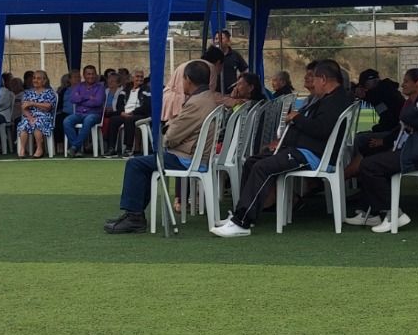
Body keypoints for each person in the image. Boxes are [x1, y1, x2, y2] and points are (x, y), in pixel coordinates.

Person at [211, 59, 352, 237]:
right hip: (303, 150)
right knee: (251, 162)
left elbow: (321, 129)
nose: (313, 83)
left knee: (262, 168)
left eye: (315, 79)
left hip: (313, 156)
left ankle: (242, 223)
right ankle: (242, 213)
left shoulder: (334, 101)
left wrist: (296, 118)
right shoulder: (329, 98)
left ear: (323, 79)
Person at [102, 61, 225, 234]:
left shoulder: (196, 103)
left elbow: (172, 136)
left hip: (186, 158)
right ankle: (134, 213)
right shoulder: (207, 98)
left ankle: (134, 217)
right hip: (193, 155)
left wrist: (166, 137)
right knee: (144, 165)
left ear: (188, 80)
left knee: (134, 164)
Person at [345, 57, 418, 232]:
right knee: (374, 158)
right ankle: (371, 213)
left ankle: (393, 214)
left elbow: (406, 116)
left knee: (370, 165)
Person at [104, 69, 151, 157]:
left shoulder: (146, 90)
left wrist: (133, 112)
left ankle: (129, 149)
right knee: (113, 120)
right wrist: (121, 112)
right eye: (137, 77)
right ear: (132, 78)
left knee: (129, 120)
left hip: (139, 114)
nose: (140, 79)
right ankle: (111, 148)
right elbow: (119, 104)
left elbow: (147, 106)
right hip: (125, 113)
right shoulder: (125, 90)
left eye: (141, 77)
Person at [62, 65, 105, 157]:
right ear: (84, 75)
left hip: (94, 114)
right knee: (67, 121)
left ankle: (74, 147)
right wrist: (88, 97)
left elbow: (97, 102)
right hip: (79, 114)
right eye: (88, 74)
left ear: (96, 75)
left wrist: (81, 100)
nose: (91, 76)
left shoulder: (100, 87)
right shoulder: (79, 86)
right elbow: (72, 99)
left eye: (93, 74)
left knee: (88, 120)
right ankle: (77, 150)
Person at [17, 70, 57, 158]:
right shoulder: (28, 92)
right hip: (29, 116)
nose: (35, 80)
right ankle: (22, 150)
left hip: (44, 116)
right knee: (24, 124)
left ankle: (39, 148)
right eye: (34, 78)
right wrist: (30, 117)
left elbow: (48, 106)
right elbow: (24, 107)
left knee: (37, 122)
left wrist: (32, 103)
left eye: (38, 78)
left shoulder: (49, 92)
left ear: (44, 81)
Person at [213, 29, 249, 95]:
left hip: (231, 93)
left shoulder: (235, 55)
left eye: (221, 39)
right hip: (214, 93)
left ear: (228, 41)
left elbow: (245, 69)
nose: (217, 41)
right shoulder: (210, 56)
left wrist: (239, 81)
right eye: (216, 39)